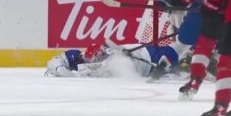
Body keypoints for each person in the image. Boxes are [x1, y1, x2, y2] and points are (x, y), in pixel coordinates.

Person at [45, 41, 185, 78]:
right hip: (148, 54)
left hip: (149, 56)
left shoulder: (113, 62)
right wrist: (59, 68)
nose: (85, 60)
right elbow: (54, 61)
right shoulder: (82, 56)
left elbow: (91, 72)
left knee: (176, 61)